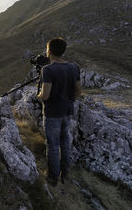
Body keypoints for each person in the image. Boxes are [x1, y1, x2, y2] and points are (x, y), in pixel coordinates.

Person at [37, 37, 81, 186]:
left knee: (53, 145)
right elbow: (78, 90)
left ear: (49, 51)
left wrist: (39, 95)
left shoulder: (48, 70)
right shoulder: (74, 67)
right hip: (67, 111)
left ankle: (53, 177)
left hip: (52, 113)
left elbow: (46, 95)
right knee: (65, 141)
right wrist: (69, 100)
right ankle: (65, 173)